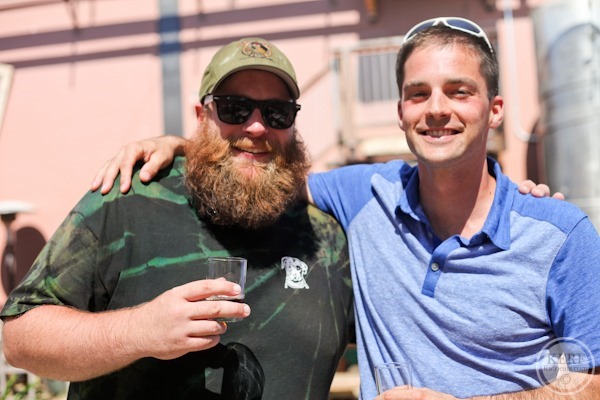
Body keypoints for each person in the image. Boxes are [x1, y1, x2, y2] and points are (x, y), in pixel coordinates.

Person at [90, 17, 600, 399]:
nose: (437, 109)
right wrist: (188, 144)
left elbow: (591, 384)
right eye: (418, 94)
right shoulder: (366, 194)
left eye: (459, 92)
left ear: (494, 110)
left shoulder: (562, 234)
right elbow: (259, 170)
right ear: (400, 112)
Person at [0, 38, 354, 400]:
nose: (257, 127)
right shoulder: (129, 199)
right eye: (235, 109)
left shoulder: (325, 237)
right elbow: (20, 337)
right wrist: (138, 331)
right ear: (202, 116)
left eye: (277, 112)